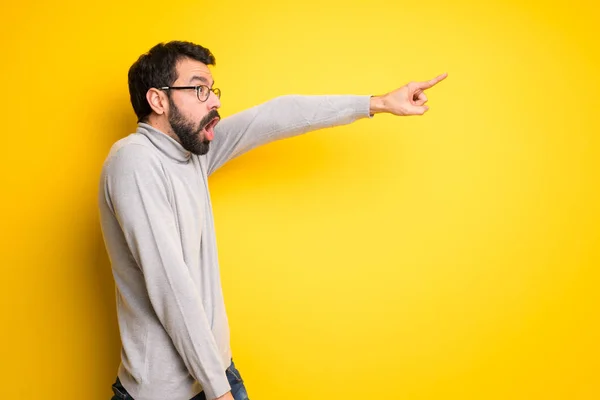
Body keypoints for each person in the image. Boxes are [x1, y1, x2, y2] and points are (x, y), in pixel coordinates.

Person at [98, 40, 447, 400]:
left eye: (212, 90)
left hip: (215, 374)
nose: (215, 100)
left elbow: (276, 116)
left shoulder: (192, 153)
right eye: (200, 88)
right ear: (158, 100)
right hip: (171, 393)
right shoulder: (134, 162)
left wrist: (379, 103)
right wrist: (221, 393)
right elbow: (172, 289)